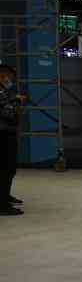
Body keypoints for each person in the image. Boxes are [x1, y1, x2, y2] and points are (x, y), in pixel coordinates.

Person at [0, 65, 25, 216]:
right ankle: (2, 204)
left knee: (9, 169)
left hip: (7, 132)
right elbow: (8, 113)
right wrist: (17, 101)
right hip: (3, 134)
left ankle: (5, 196)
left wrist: (13, 100)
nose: (10, 80)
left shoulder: (5, 92)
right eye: (8, 77)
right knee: (5, 168)